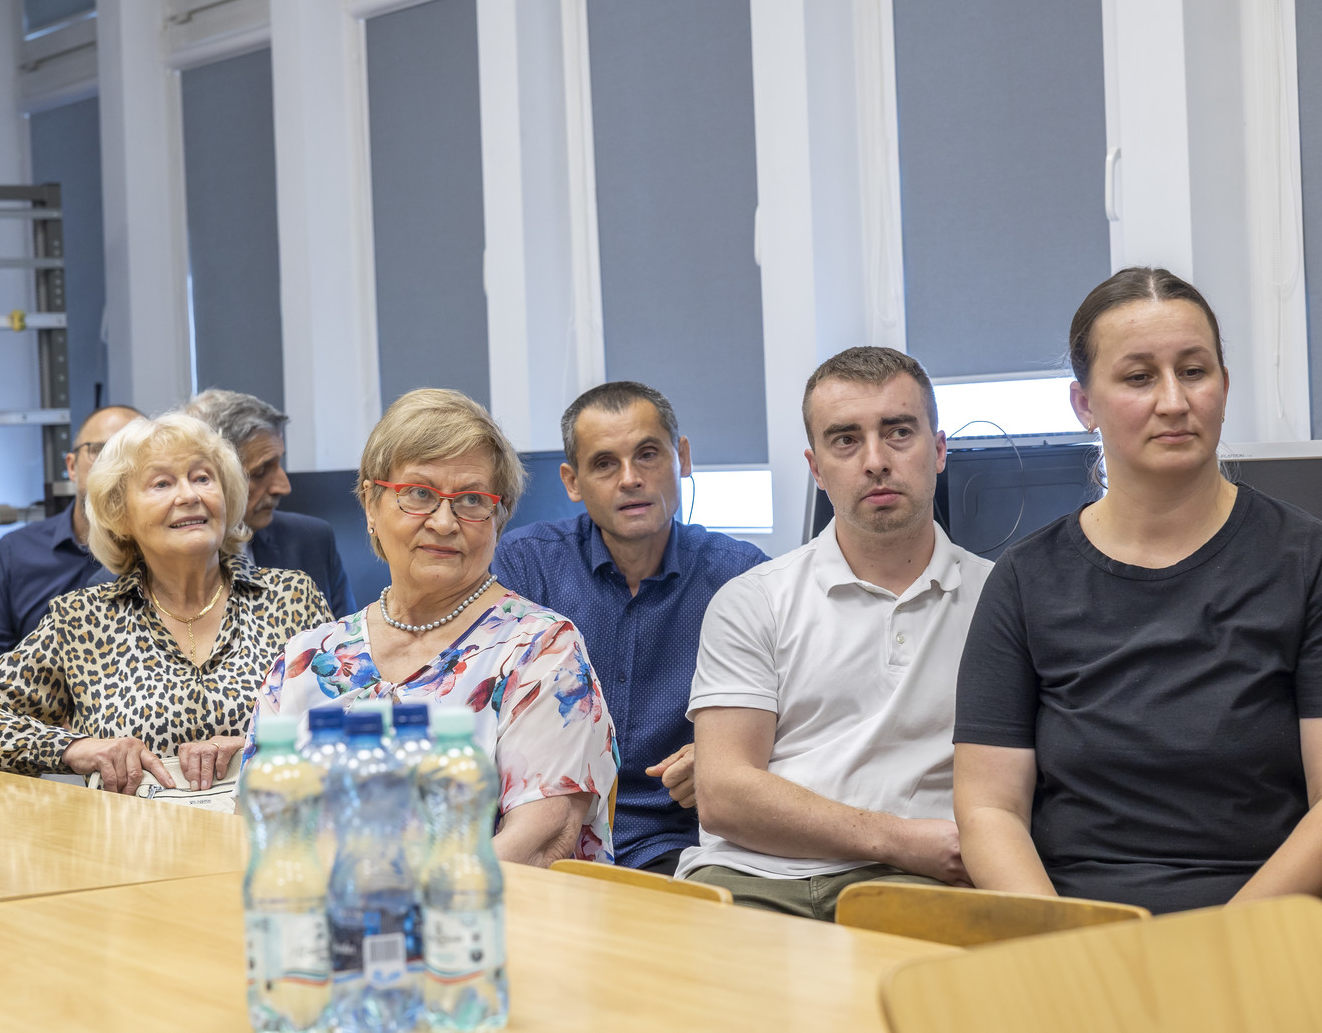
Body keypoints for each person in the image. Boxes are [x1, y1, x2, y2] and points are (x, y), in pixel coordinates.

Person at [954, 268, 1322, 914]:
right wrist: (1058, 942)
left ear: (1225, 386)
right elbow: (990, 808)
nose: (1174, 401)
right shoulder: (1023, 579)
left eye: (1194, 371)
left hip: (1261, 928)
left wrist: (1220, 944)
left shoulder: (1307, 562)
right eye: (1138, 377)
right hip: (1075, 929)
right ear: (1084, 405)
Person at [241, 388, 618, 865]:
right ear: (371, 504)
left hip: (480, 905)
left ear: (498, 518)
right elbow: (252, 824)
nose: (443, 522)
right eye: (419, 494)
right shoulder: (306, 656)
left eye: (472, 499)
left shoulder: (541, 651)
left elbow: (542, 841)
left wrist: (410, 900)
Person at [679, 347, 991, 919]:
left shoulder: (1000, 600)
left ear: (939, 450)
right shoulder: (753, 599)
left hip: (916, 885)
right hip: (753, 877)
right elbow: (722, 797)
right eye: (845, 440)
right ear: (817, 469)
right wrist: (898, 838)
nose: (875, 461)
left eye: (899, 432)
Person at [0, 413, 332, 792]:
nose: (189, 495)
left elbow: (352, 713)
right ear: (120, 515)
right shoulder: (82, 620)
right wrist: (75, 749)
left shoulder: (292, 597)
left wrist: (257, 745)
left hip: (268, 824)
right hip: (135, 836)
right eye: (162, 484)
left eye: (202, 478)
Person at [492, 382, 768, 874]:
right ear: (572, 482)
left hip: (679, 845)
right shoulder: (526, 564)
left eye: (648, 455)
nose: (630, 479)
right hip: (548, 837)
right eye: (604, 464)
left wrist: (726, 751)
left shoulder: (742, 577)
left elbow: (803, 714)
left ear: (682, 458)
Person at [0, 404, 144, 681]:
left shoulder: (168, 558)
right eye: (100, 450)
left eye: (132, 453)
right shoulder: (14, 554)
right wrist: (48, 700)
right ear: (71, 467)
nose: (115, 465)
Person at [183, 389, 355, 616]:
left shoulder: (311, 541)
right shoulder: (164, 561)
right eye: (260, 472)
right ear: (206, 477)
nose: (284, 487)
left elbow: (348, 638)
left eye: (279, 464)